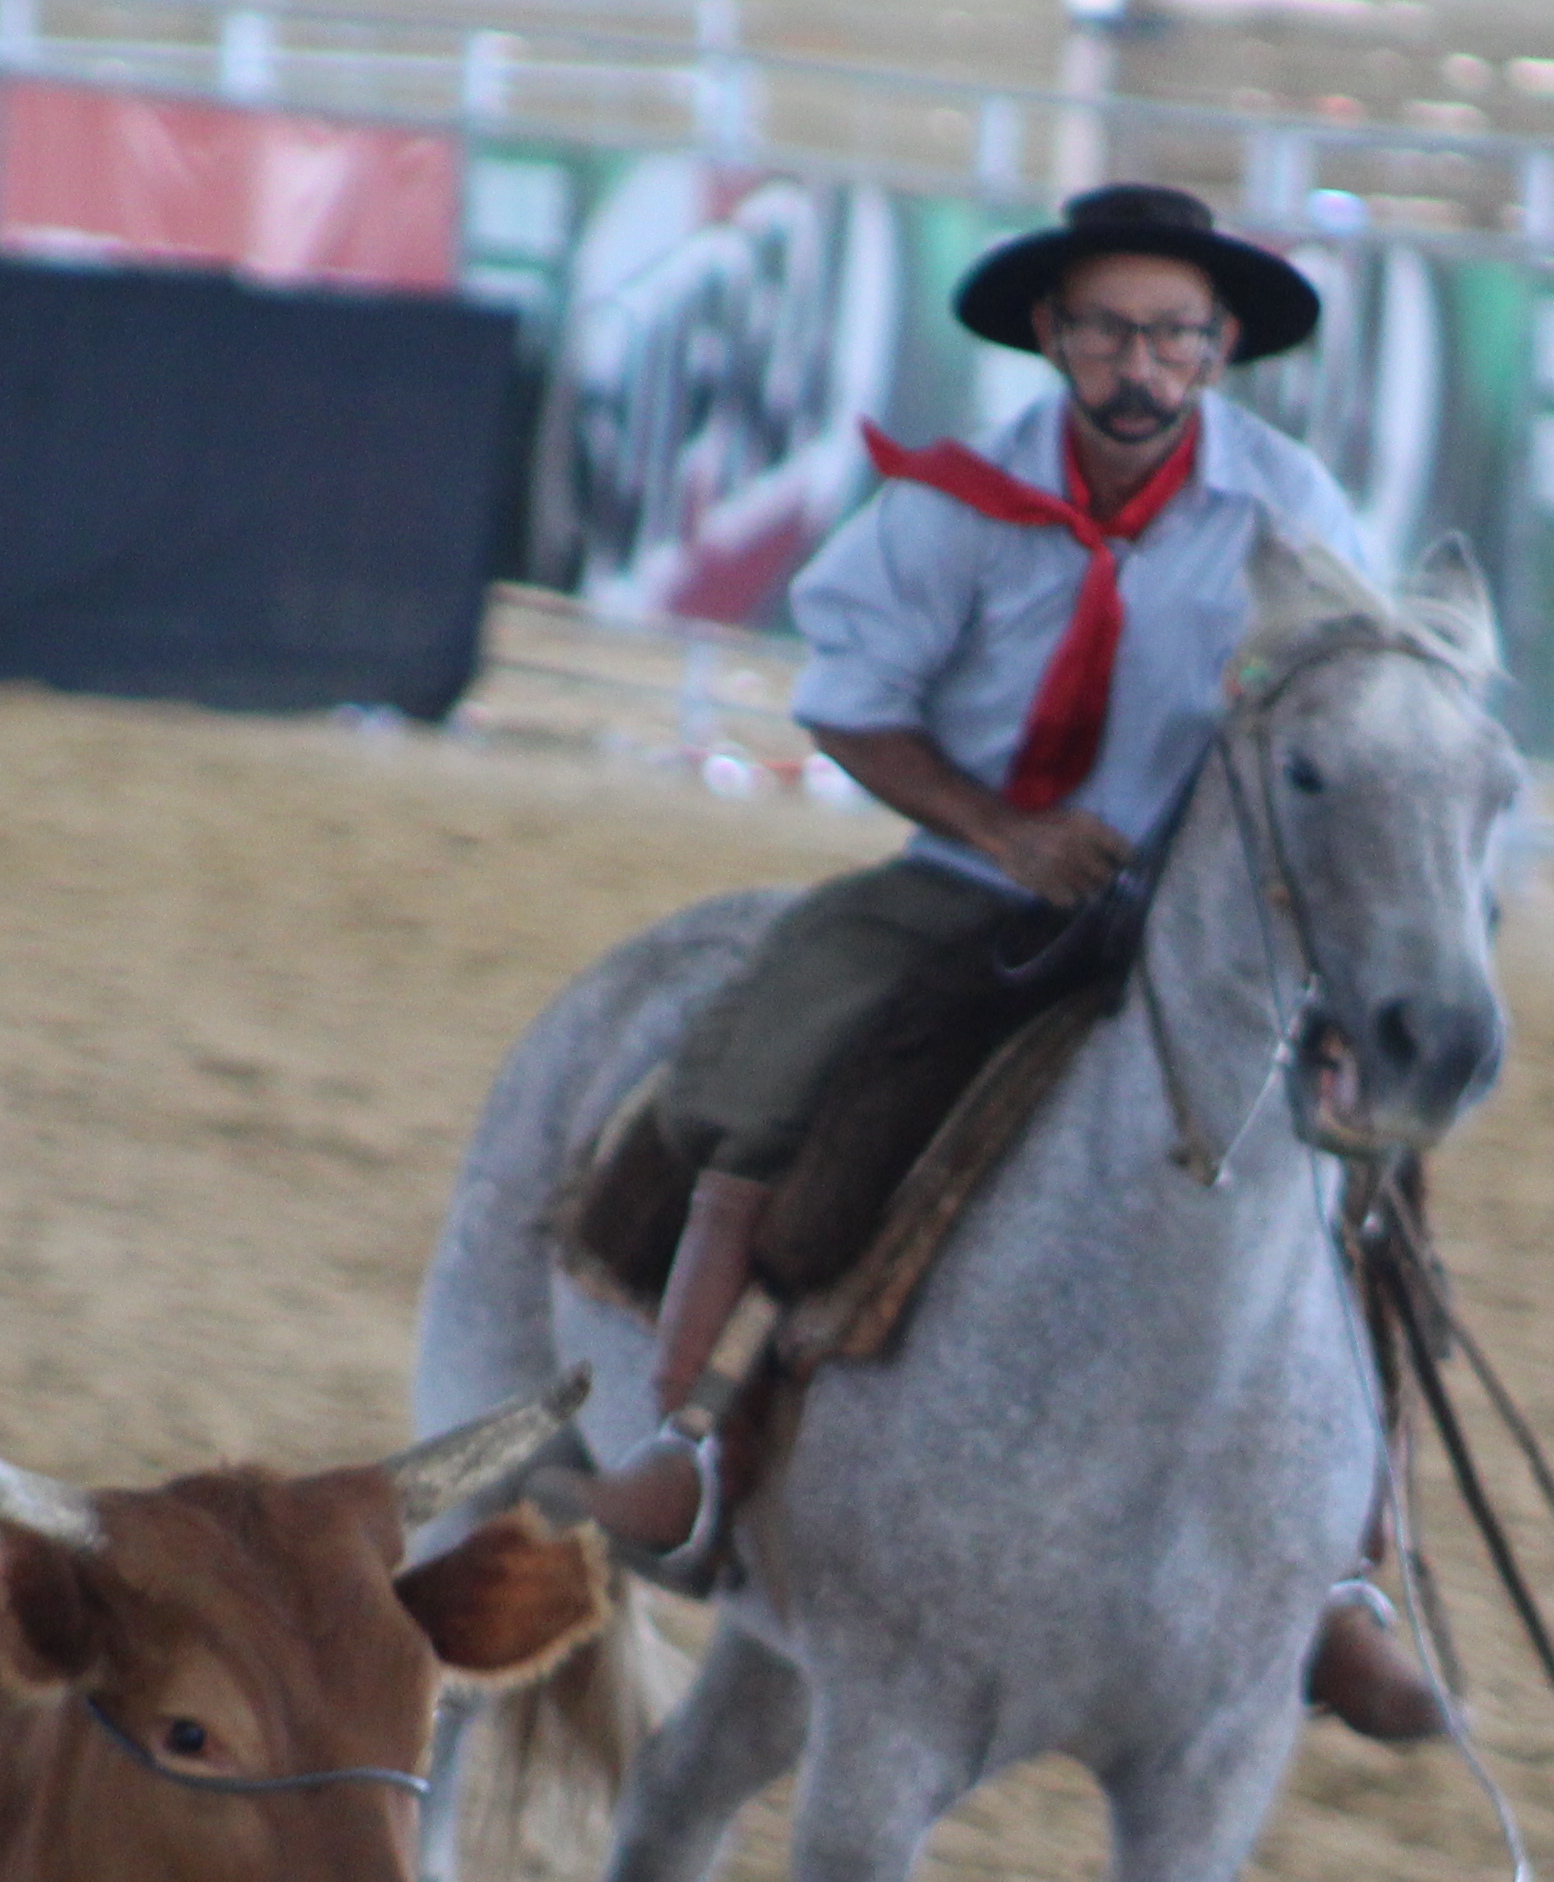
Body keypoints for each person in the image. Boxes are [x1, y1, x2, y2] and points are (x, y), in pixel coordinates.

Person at [566, 181, 1452, 1745]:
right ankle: (690, 1431)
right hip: (971, 875)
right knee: (785, 1043)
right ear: (1050, 334)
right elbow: (846, 700)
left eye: (1174, 333)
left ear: (1221, 349)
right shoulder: (955, 498)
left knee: (1365, 1162)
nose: (1140, 363)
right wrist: (1003, 826)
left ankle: (1348, 1570)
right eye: (1108, 328)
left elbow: (1351, 705)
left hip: (1212, 910)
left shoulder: (1293, 508)